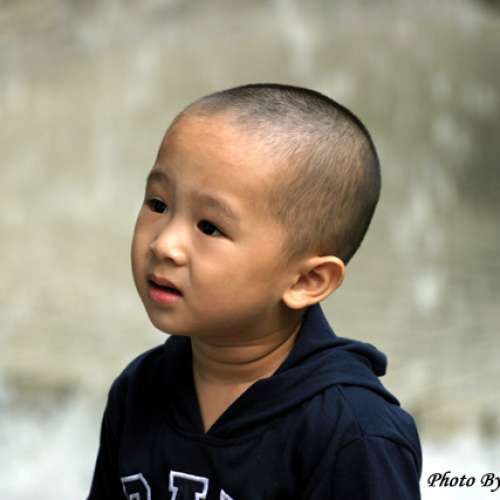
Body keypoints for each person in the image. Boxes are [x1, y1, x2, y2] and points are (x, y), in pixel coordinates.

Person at [87, 83, 422, 499]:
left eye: (210, 227)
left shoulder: (352, 435)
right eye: (158, 204)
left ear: (306, 281)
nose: (164, 245)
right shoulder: (141, 389)